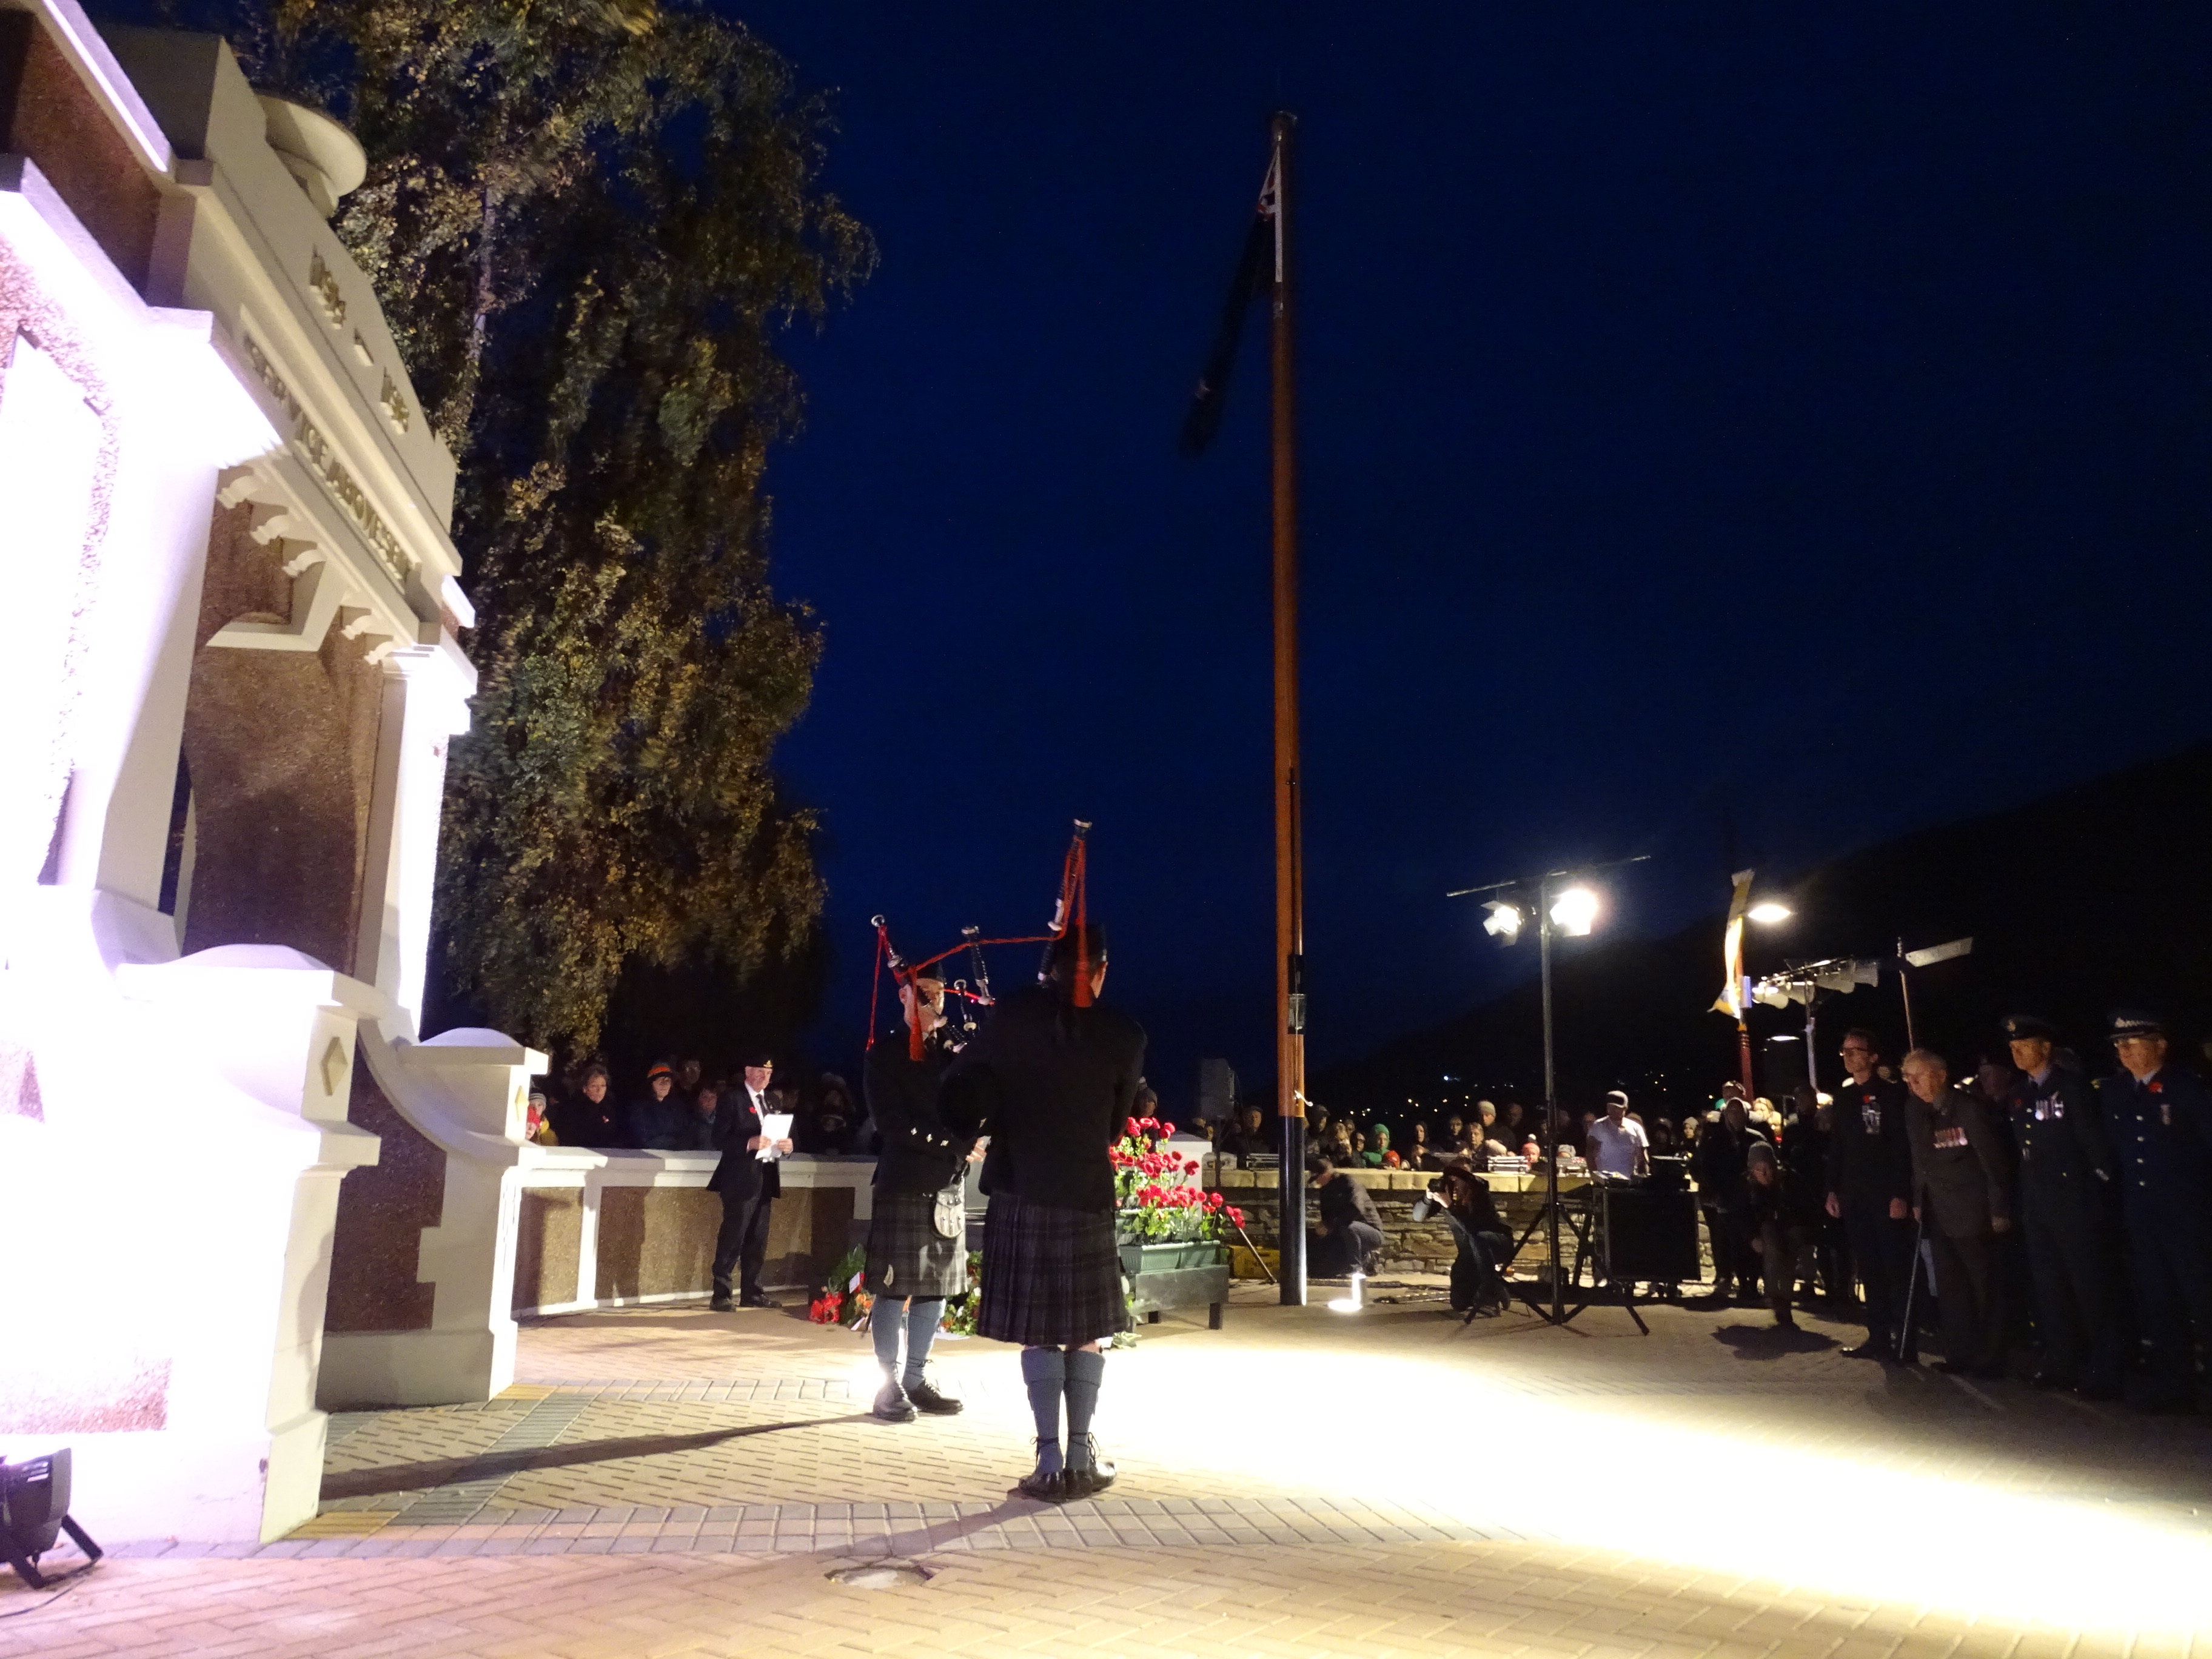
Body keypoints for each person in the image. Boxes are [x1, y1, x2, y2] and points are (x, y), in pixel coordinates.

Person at [943, 923, 1143, 1501]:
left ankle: (1049, 1462)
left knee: (1039, 1331)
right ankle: (1082, 1456)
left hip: (1022, 1188)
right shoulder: (1125, 1034)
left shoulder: (1014, 1014)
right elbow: (1115, 1122)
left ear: (1050, 968)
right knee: (1086, 1332)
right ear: (1101, 971)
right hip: (1083, 1190)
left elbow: (967, 1085)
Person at [861, 970, 976, 1422]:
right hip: (906, 1180)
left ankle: (915, 1378)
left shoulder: (954, 1053)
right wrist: (955, 1144)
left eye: (940, 992)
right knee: (894, 1287)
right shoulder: (885, 1053)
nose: (935, 1000)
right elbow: (890, 1123)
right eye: (924, 993)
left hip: (947, 1183)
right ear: (905, 996)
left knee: (936, 1290)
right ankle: (887, 1385)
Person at [2094, 1011, 2212, 1412]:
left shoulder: (2186, 1088)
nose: (2124, 1051)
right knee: (2159, 1302)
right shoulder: (2116, 1092)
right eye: (2118, 1045)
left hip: (2188, 1215)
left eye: (2132, 1042)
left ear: (2160, 1045)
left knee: (2202, 1299)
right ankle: (2174, 1386)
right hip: (2142, 1215)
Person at [1999, 1016, 2120, 1397]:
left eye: (2025, 1044)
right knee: (2050, 1289)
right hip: (2038, 1205)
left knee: (2090, 1288)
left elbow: (2092, 1146)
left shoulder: (2071, 1087)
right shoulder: (2019, 1094)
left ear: (2046, 1048)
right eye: (2013, 1046)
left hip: (2074, 1203)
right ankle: (2062, 1362)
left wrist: (2098, 1195)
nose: (2016, 1051)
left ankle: (2107, 1368)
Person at [1902, 1047, 2013, 1378]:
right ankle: (1960, 1354)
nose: (1913, 1084)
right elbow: (1919, 1161)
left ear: (1940, 1075)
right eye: (1908, 1078)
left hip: (1973, 1210)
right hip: (1939, 1211)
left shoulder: (1966, 1109)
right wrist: (1918, 1200)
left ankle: (1991, 1359)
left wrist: (1999, 1209)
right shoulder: (1914, 1111)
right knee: (1952, 1290)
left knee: (1985, 1289)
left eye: (1918, 1077)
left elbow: (1993, 1162)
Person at [1826, 1028, 1917, 1359]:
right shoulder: (1845, 1097)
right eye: (1845, 1051)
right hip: (1855, 1197)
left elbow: (1899, 1149)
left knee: (1895, 1268)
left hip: (1885, 1196)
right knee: (1869, 1269)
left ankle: (1906, 1341)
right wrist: (1833, 1189)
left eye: (1856, 1051)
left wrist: (1900, 1193)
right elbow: (1839, 1147)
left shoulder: (1892, 1095)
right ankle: (1878, 1337)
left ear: (1873, 1056)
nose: (1849, 1057)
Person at [708, 1051, 791, 1310]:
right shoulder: (732, 1099)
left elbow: (779, 1137)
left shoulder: (772, 1102)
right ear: (747, 1072)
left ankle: (752, 1291)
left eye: (768, 1073)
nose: (764, 1077)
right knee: (733, 1237)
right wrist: (748, 1142)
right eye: (759, 1072)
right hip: (740, 1179)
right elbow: (718, 1138)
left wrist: (788, 1147)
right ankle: (721, 1294)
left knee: (758, 1239)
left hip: (765, 1178)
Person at [1694, 1096, 1767, 1304]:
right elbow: (1703, 1167)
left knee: (1753, 1244)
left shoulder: (1756, 1138)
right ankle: (1736, 1282)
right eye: (1732, 1113)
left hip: (1753, 1200)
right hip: (1726, 1200)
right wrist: (1713, 1192)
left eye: (1740, 1112)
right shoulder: (1715, 1140)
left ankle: (1752, 1285)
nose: (1736, 1116)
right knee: (1731, 1245)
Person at [1416, 1158, 1513, 1314]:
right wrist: (1427, 1199)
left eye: (1460, 1177)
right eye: (1452, 1177)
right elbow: (1418, 1217)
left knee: (1479, 1240)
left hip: (1496, 1244)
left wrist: (1450, 1207)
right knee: (1459, 1303)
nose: (1455, 1182)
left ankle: (1490, 1295)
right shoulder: (1445, 1194)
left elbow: (1473, 1230)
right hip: (1469, 1254)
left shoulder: (1479, 1194)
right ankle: (1496, 1285)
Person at [1781, 1084, 1842, 1310]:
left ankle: (1834, 1287)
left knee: (1829, 1243)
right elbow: (1786, 1158)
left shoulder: (1824, 1124)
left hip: (1824, 1189)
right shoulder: (1793, 1127)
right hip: (1800, 1192)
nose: (1804, 1102)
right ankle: (1808, 1283)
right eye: (1800, 1099)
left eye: (1807, 1098)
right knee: (1805, 1242)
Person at [1741, 1141, 1802, 1329]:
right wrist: (1752, 1238)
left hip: (1787, 1227)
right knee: (1771, 1245)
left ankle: (1784, 1299)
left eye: (1767, 1167)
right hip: (1763, 1232)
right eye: (1758, 1169)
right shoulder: (1746, 1187)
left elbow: (1798, 1209)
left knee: (1791, 1250)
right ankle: (1775, 1296)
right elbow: (1742, 1217)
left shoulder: (1788, 1181)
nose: (1764, 1173)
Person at [1307, 1150, 1384, 1278]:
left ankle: (1356, 1268)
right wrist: (1322, 1228)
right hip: (1343, 1232)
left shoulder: (1348, 1182)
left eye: (1318, 1178)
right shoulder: (1325, 1192)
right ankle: (1361, 1260)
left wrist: (1331, 1224)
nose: (1317, 1182)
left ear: (1326, 1174)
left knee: (1350, 1227)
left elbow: (1356, 1210)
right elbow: (1327, 1217)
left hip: (1370, 1232)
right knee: (1322, 1265)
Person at [550, 1063, 622, 1148]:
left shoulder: (610, 1107)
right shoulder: (573, 1109)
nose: (599, 1090)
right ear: (585, 1089)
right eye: (594, 1086)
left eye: (603, 1086)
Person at [628, 1061, 694, 1150]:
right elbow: (643, 1139)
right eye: (661, 1081)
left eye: (668, 1081)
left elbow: (687, 1135)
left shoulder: (679, 1107)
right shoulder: (640, 1108)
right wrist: (673, 1140)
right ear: (652, 1084)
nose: (665, 1084)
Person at [1586, 1090, 1650, 1179]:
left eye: (1617, 1107)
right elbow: (1590, 1153)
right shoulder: (1599, 1126)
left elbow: (1643, 1157)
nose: (1613, 1110)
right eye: (1610, 1107)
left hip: (1628, 1179)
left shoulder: (1636, 1128)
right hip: (1604, 1179)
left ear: (1625, 1108)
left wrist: (1643, 1177)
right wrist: (1594, 1176)